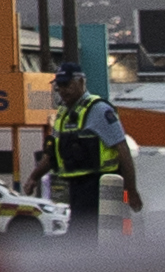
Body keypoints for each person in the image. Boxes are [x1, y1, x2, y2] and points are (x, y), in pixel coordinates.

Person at [44, 86, 134, 238]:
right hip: (81, 186)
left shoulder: (97, 112)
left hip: (96, 184)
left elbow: (122, 150)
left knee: (94, 229)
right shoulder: (64, 118)